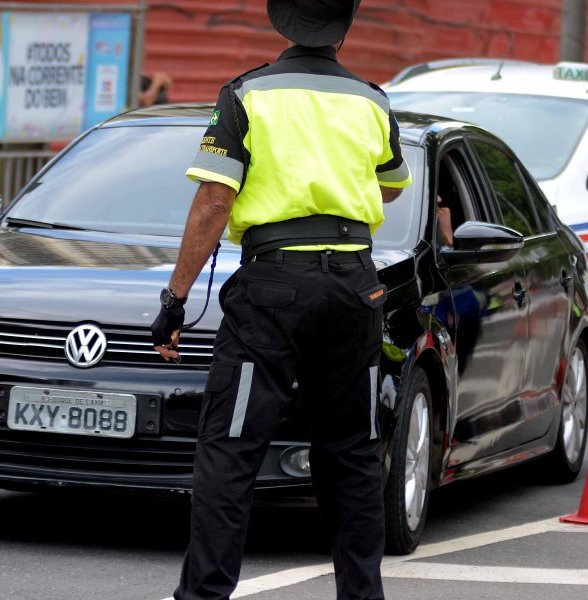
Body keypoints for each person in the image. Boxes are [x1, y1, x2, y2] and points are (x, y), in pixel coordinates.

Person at [149, 1, 411, 598]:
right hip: (354, 288)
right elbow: (391, 186)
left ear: (281, 24)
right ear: (343, 32)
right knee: (351, 453)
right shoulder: (372, 100)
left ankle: (204, 596)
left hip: (273, 290)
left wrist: (175, 299)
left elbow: (215, 202)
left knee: (232, 450)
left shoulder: (246, 94)